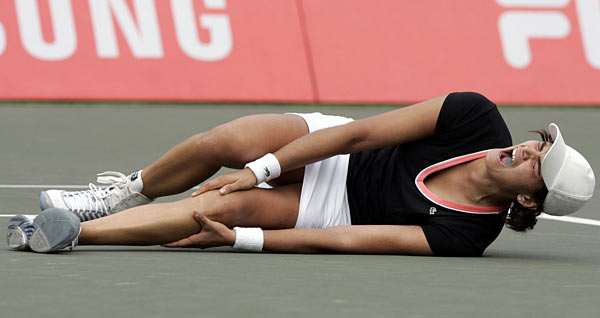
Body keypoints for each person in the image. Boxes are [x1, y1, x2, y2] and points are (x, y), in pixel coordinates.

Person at [6, 92, 596, 256]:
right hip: (339, 150)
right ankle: (115, 196)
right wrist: (257, 169)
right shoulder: (475, 117)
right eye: (537, 143)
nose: (525, 149)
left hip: (336, 209)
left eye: (538, 163)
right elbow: (359, 133)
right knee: (226, 142)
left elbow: (350, 238)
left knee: (220, 211)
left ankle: (61, 231)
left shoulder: (467, 234)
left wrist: (242, 238)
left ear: (531, 203)